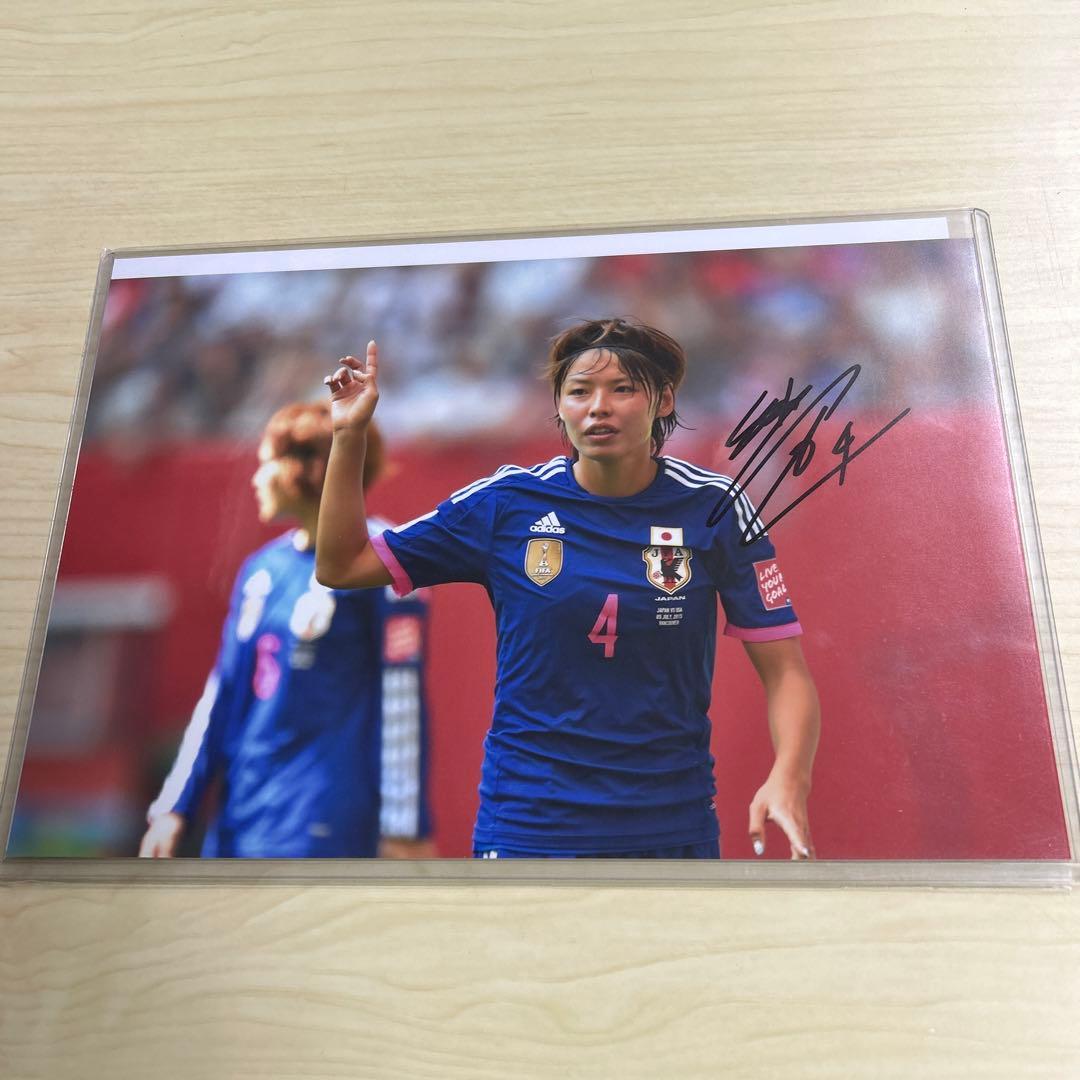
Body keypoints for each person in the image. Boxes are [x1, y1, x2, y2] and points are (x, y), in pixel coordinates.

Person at [316, 319, 819, 859]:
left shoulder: (717, 508)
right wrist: (348, 436)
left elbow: (786, 672)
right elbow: (344, 565)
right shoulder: (505, 503)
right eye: (579, 392)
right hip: (527, 827)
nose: (598, 407)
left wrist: (790, 778)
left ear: (664, 400)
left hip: (670, 828)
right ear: (559, 406)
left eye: (622, 389)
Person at [139, 406, 435, 858]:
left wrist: (404, 825)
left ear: (313, 469)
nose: (257, 478)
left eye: (267, 463)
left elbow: (402, 703)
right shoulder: (261, 570)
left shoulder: (385, 565)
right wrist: (175, 806)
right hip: (242, 814)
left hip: (322, 818)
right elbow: (223, 691)